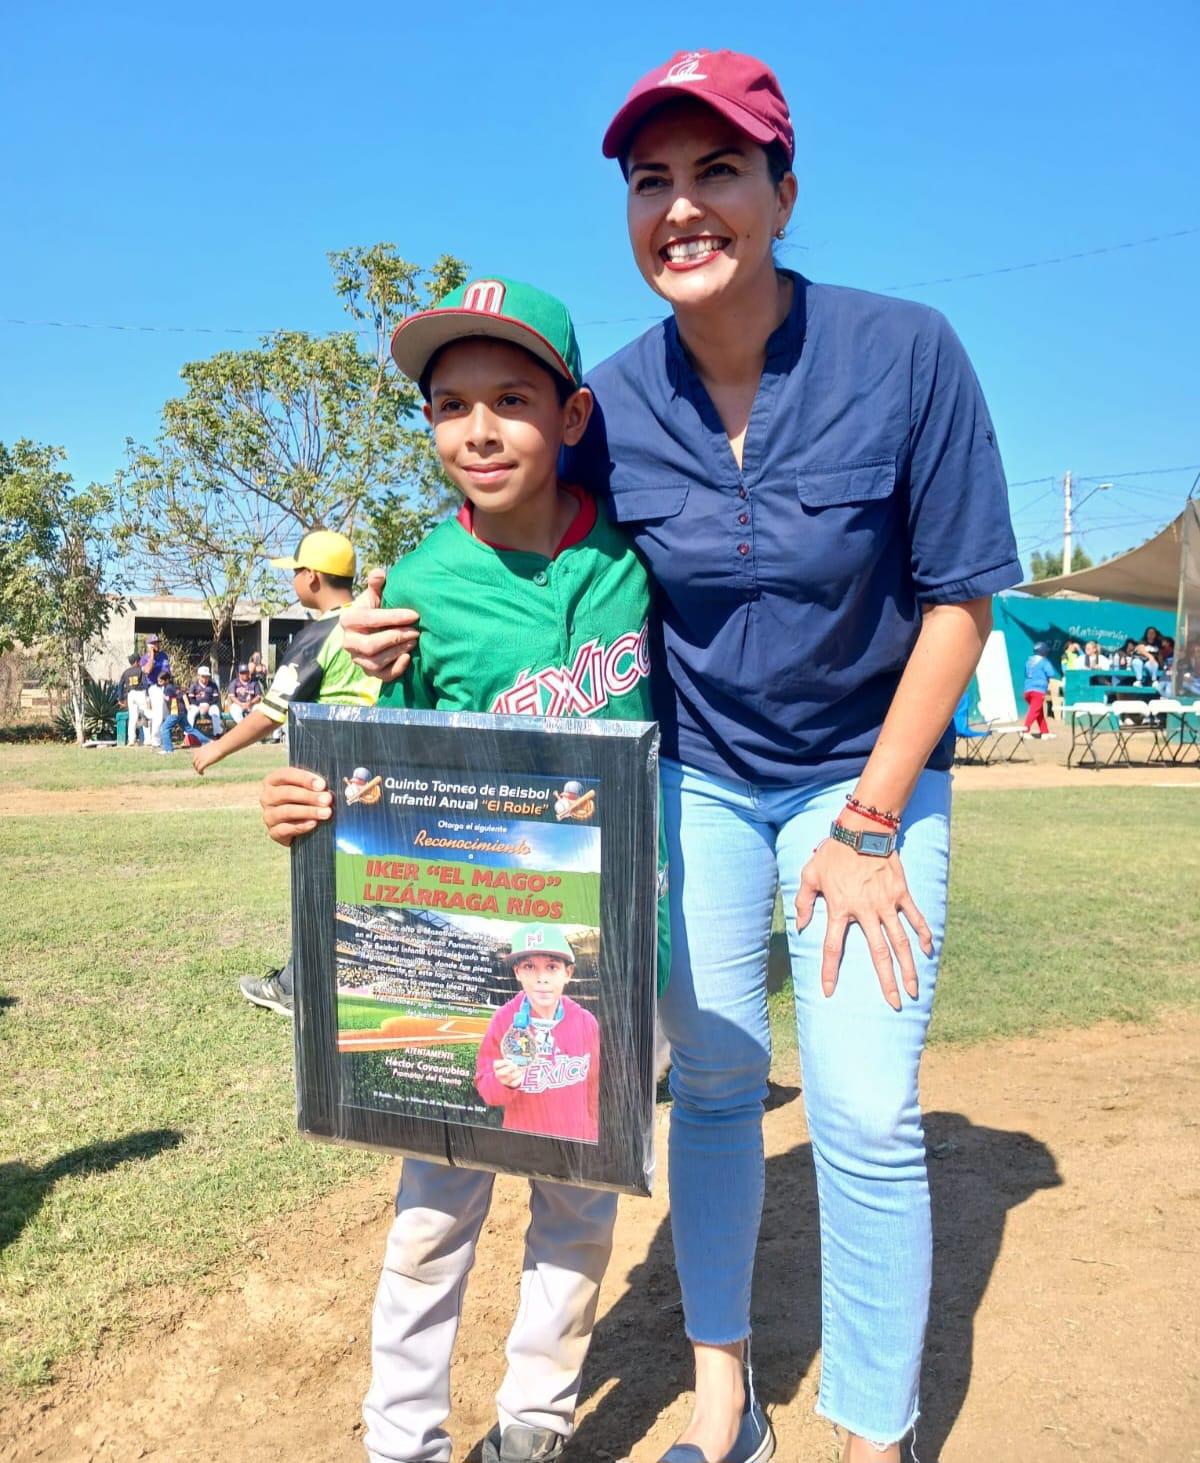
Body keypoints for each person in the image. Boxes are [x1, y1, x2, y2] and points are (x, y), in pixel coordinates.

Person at [323, 50, 1021, 1463]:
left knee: (866, 1104)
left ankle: (873, 1434)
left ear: (782, 189)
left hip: (866, 770)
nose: (683, 206)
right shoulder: (617, 405)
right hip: (695, 772)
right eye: (653, 181)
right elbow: (502, 523)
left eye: (718, 170)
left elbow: (960, 600)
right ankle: (724, 1403)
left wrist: (874, 818)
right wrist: (371, 640)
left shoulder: (907, 351)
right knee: (710, 1075)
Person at [259, 277, 669, 1463]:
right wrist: (307, 789)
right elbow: (359, 779)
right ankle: (403, 1439)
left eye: (511, 399)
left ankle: (536, 1418)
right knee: (433, 1212)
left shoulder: (635, 564)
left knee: (578, 1201)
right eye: (450, 404)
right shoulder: (415, 592)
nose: (478, 431)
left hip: (608, 948)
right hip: (460, 958)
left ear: (574, 414)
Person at [193, 529, 380, 1016]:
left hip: (329, 770)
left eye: (295, 572)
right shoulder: (367, 620)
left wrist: (216, 748)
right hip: (375, 767)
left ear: (312, 577)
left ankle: (298, 987)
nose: (293, 580)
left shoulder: (321, 634)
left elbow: (271, 712)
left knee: (319, 880)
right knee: (361, 878)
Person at [475, 926, 600, 1144]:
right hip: (526, 1144)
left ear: (567, 974)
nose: (541, 978)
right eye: (529, 966)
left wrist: (592, 1133)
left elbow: (594, 1086)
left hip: (577, 1144)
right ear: (517, 972)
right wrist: (503, 1082)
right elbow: (487, 1090)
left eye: (552, 967)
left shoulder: (586, 1021)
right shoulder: (503, 1020)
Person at [155, 669, 211, 755]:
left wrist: (187, 705)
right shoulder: (170, 686)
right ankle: (209, 742)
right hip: (181, 713)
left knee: (165, 727)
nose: (159, 682)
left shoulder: (170, 687)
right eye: (158, 680)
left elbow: (183, 695)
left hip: (176, 712)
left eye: (161, 680)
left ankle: (168, 749)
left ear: (167, 680)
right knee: (190, 730)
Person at [1023, 641, 1058, 738]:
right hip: (1038, 691)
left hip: (1027, 691)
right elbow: (1051, 674)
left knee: (1039, 712)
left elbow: (1026, 673)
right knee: (1034, 712)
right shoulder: (1044, 662)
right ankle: (1025, 731)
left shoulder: (1028, 662)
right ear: (1044, 652)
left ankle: (1045, 732)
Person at [186, 665, 223, 738]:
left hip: (210, 704)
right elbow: (191, 698)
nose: (205, 678)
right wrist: (199, 706)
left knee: (215, 711)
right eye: (203, 676)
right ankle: (188, 735)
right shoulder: (194, 685)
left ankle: (217, 734)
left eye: (207, 676)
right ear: (198, 676)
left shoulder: (212, 685)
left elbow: (216, 698)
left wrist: (208, 705)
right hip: (196, 705)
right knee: (191, 713)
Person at [117, 654, 145, 746]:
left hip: (130, 695)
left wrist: (121, 698)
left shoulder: (126, 672)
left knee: (132, 718)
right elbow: (145, 682)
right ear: (137, 661)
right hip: (140, 693)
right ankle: (147, 739)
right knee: (145, 715)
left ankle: (131, 740)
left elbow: (120, 685)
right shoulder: (141, 670)